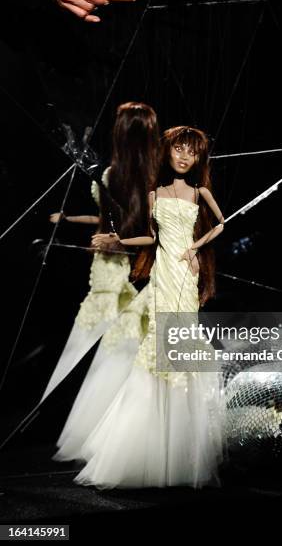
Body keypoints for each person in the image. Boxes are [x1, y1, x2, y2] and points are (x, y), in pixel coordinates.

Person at [66, 125, 226, 489]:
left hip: (184, 273)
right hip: (164, 271)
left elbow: (221, 223)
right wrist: (118, 238)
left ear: (199, 158)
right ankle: (148, 447)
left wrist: (196, 248)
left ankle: (178, 448)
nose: (185, 157)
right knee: (157, 345)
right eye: (179, 150)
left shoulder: (200, 192)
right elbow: (151, 239)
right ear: (167, 151)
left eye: (192, 152)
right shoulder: (155, 193)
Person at [41, 102, 159, 460]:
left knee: (130, 350)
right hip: (113, 267)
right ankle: (112, 432)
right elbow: (107, 219)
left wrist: (116, 242)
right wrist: (70, 218)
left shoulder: (153, 178)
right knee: (117, 352)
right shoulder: (113, 175)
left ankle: (131, 435)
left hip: (138, 271)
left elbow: (152, 230)